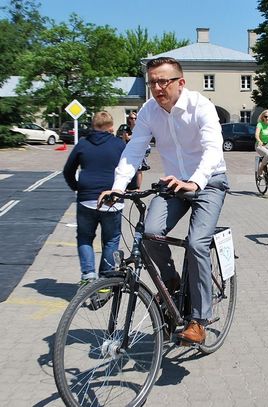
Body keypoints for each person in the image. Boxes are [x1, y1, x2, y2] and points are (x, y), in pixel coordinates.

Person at [100, 57, 229, 344]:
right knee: (148, 234)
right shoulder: (148, 111)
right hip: (174, 184)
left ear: (180, 82)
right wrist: (118, 186)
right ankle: (171, 282)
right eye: (152, 82)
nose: (157, 87)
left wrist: (195, 181)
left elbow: (212, 149)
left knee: (197, 243)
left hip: (209, 182)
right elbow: (135, 149)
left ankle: (199, 319)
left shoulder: (200, 106)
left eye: (163, 81)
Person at [63, 111, 126, 284]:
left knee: (84, 237)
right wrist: (130, 187)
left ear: (93, 126)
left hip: (86, 199)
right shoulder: (119, 145)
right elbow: (129, 170)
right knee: (111, 240)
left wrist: (77, 188)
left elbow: (67, 171)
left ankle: (88, 275)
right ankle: (105, 281)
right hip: (112, 201)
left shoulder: (83, 145)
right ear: (111, 127)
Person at [122, 111, 151, 190]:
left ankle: (138, 188)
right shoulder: (126, 130)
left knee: (138, 169)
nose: (134, 120)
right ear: (129, 119)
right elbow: (124, 141)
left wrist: (130, 137)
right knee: (127, 168)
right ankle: (128, 186)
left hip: (140, 150)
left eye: (135, 118)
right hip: (129, 150)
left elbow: (143, 138)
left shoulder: (140, 128)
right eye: (132, 118)